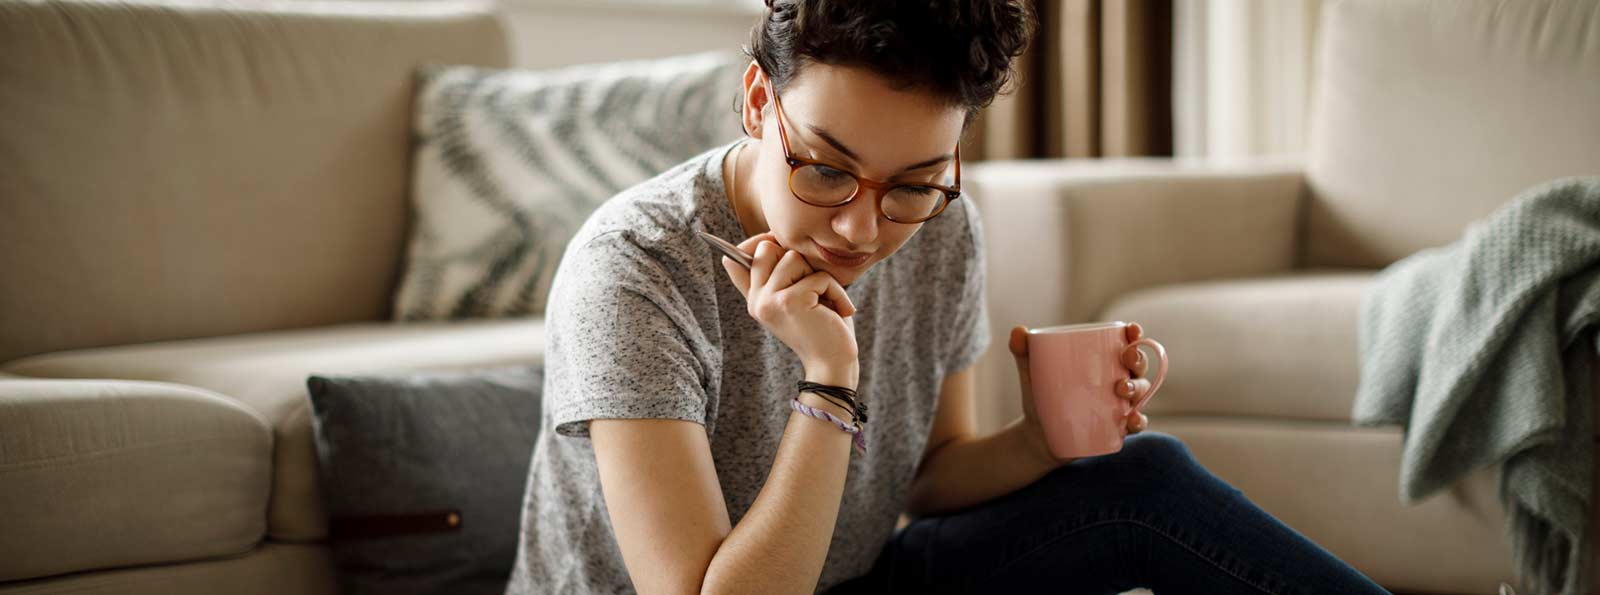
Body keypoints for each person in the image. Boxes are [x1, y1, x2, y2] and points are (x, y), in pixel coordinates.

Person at [506, 1, 1392, 593]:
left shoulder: (941, 228)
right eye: (826, 168)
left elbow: (931, 476)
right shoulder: (637, 266)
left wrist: (1040, 444)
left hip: (857, 578)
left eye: (913, 182)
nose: (862, 229)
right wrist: (828, 379)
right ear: (757, 102)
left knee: (1138, 479)